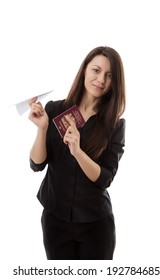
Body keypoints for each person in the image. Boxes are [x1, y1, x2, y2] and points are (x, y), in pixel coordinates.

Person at [28, 46, 126, 260]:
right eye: (96, 70)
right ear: (84, 70)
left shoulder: (114, 125)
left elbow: (104, 178)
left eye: (109, 76)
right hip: (55, 220)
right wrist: (42, 129)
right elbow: (36, 164)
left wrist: (77, 151)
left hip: (95, 225)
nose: (101, 79)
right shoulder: (54, 110)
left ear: (115, 82)